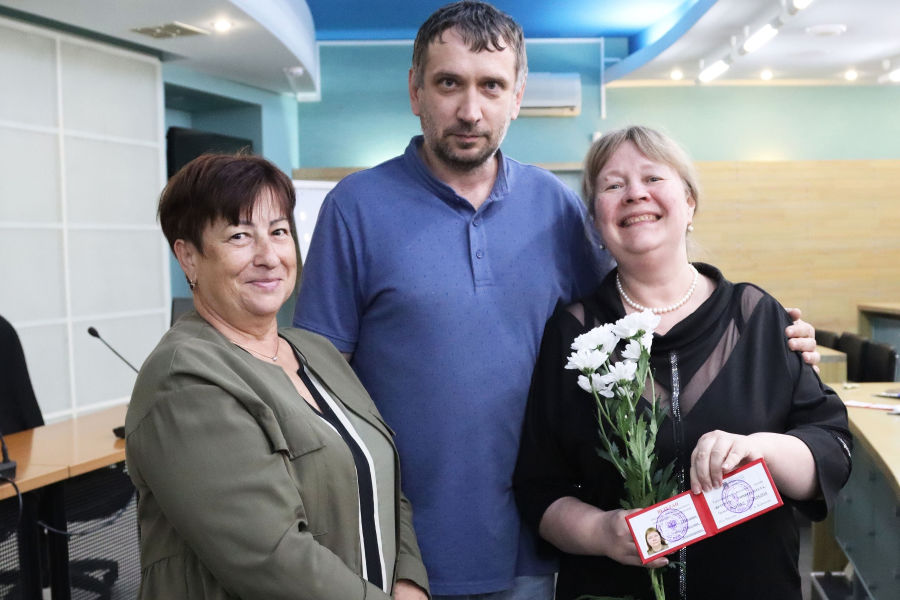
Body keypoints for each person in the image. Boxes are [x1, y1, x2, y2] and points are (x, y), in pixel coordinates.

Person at [294, 2, 820, 598]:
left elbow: (632, 314)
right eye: (449, 83)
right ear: (416, 90)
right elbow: (316, 385)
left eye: (492, 86)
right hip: (405, 552)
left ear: (517, 97)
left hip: (539, 552)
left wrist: (768, 339)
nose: (471, 110)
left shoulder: (555, 206)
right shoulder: (355, 208)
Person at [513, 126, 852, 599]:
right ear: (596, 221)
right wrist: (600, 531)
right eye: (613, 185)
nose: (635, 193)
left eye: (653, 177)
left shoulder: (756, 316)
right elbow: (539, 488)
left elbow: (832, 448)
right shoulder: (573, 335)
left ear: (689, 202)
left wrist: (762, 449)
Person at [125, 154, 429, 600]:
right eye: (240, 236)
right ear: (188, 257)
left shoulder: (317, 352)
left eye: (279, 231)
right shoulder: (185, 379)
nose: (268, 257)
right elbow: (272, 559)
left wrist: (408, 582)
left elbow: (382, 477)